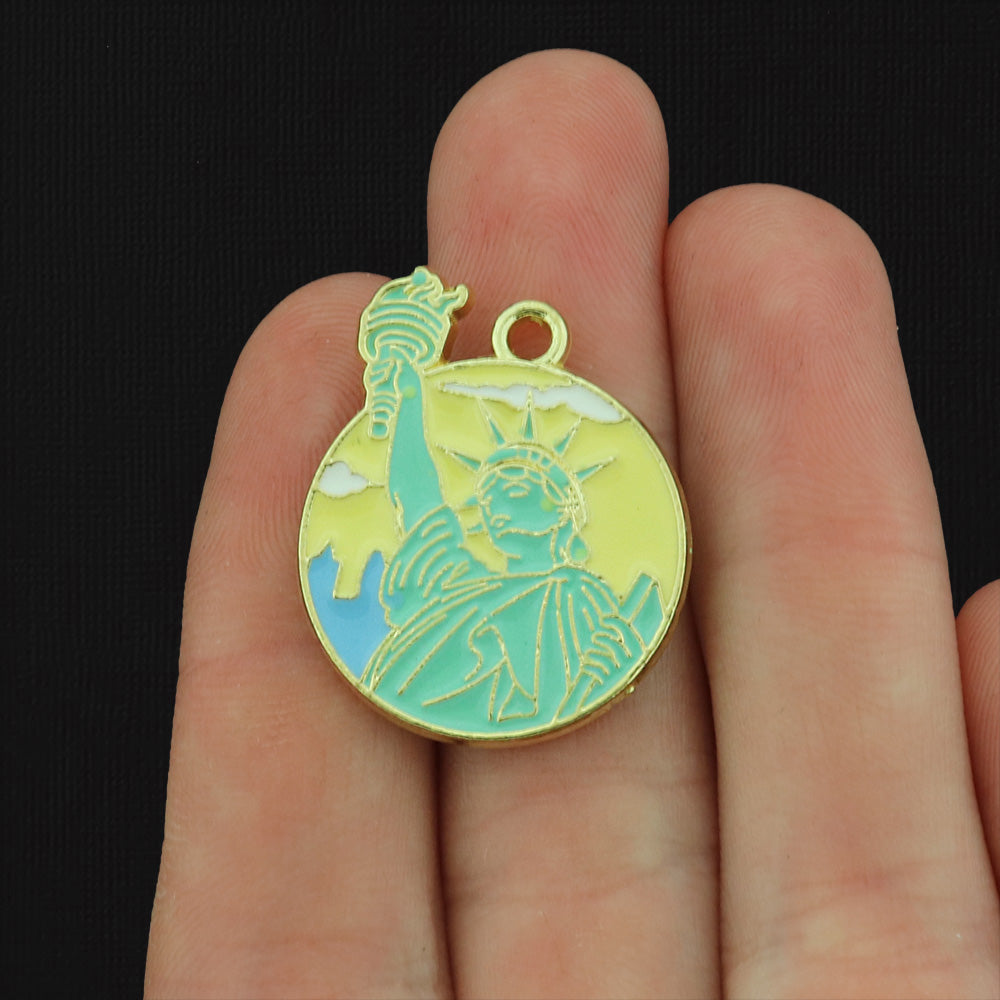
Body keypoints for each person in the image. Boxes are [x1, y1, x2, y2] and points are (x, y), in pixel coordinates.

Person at [144, 50, 999, 998]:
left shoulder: (590, 609)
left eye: (519, 478)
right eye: (491, 479)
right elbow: (416, 487)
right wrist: (405, 375)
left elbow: (586, 663)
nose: (493, 489)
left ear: (563, 508)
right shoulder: (450, 575)